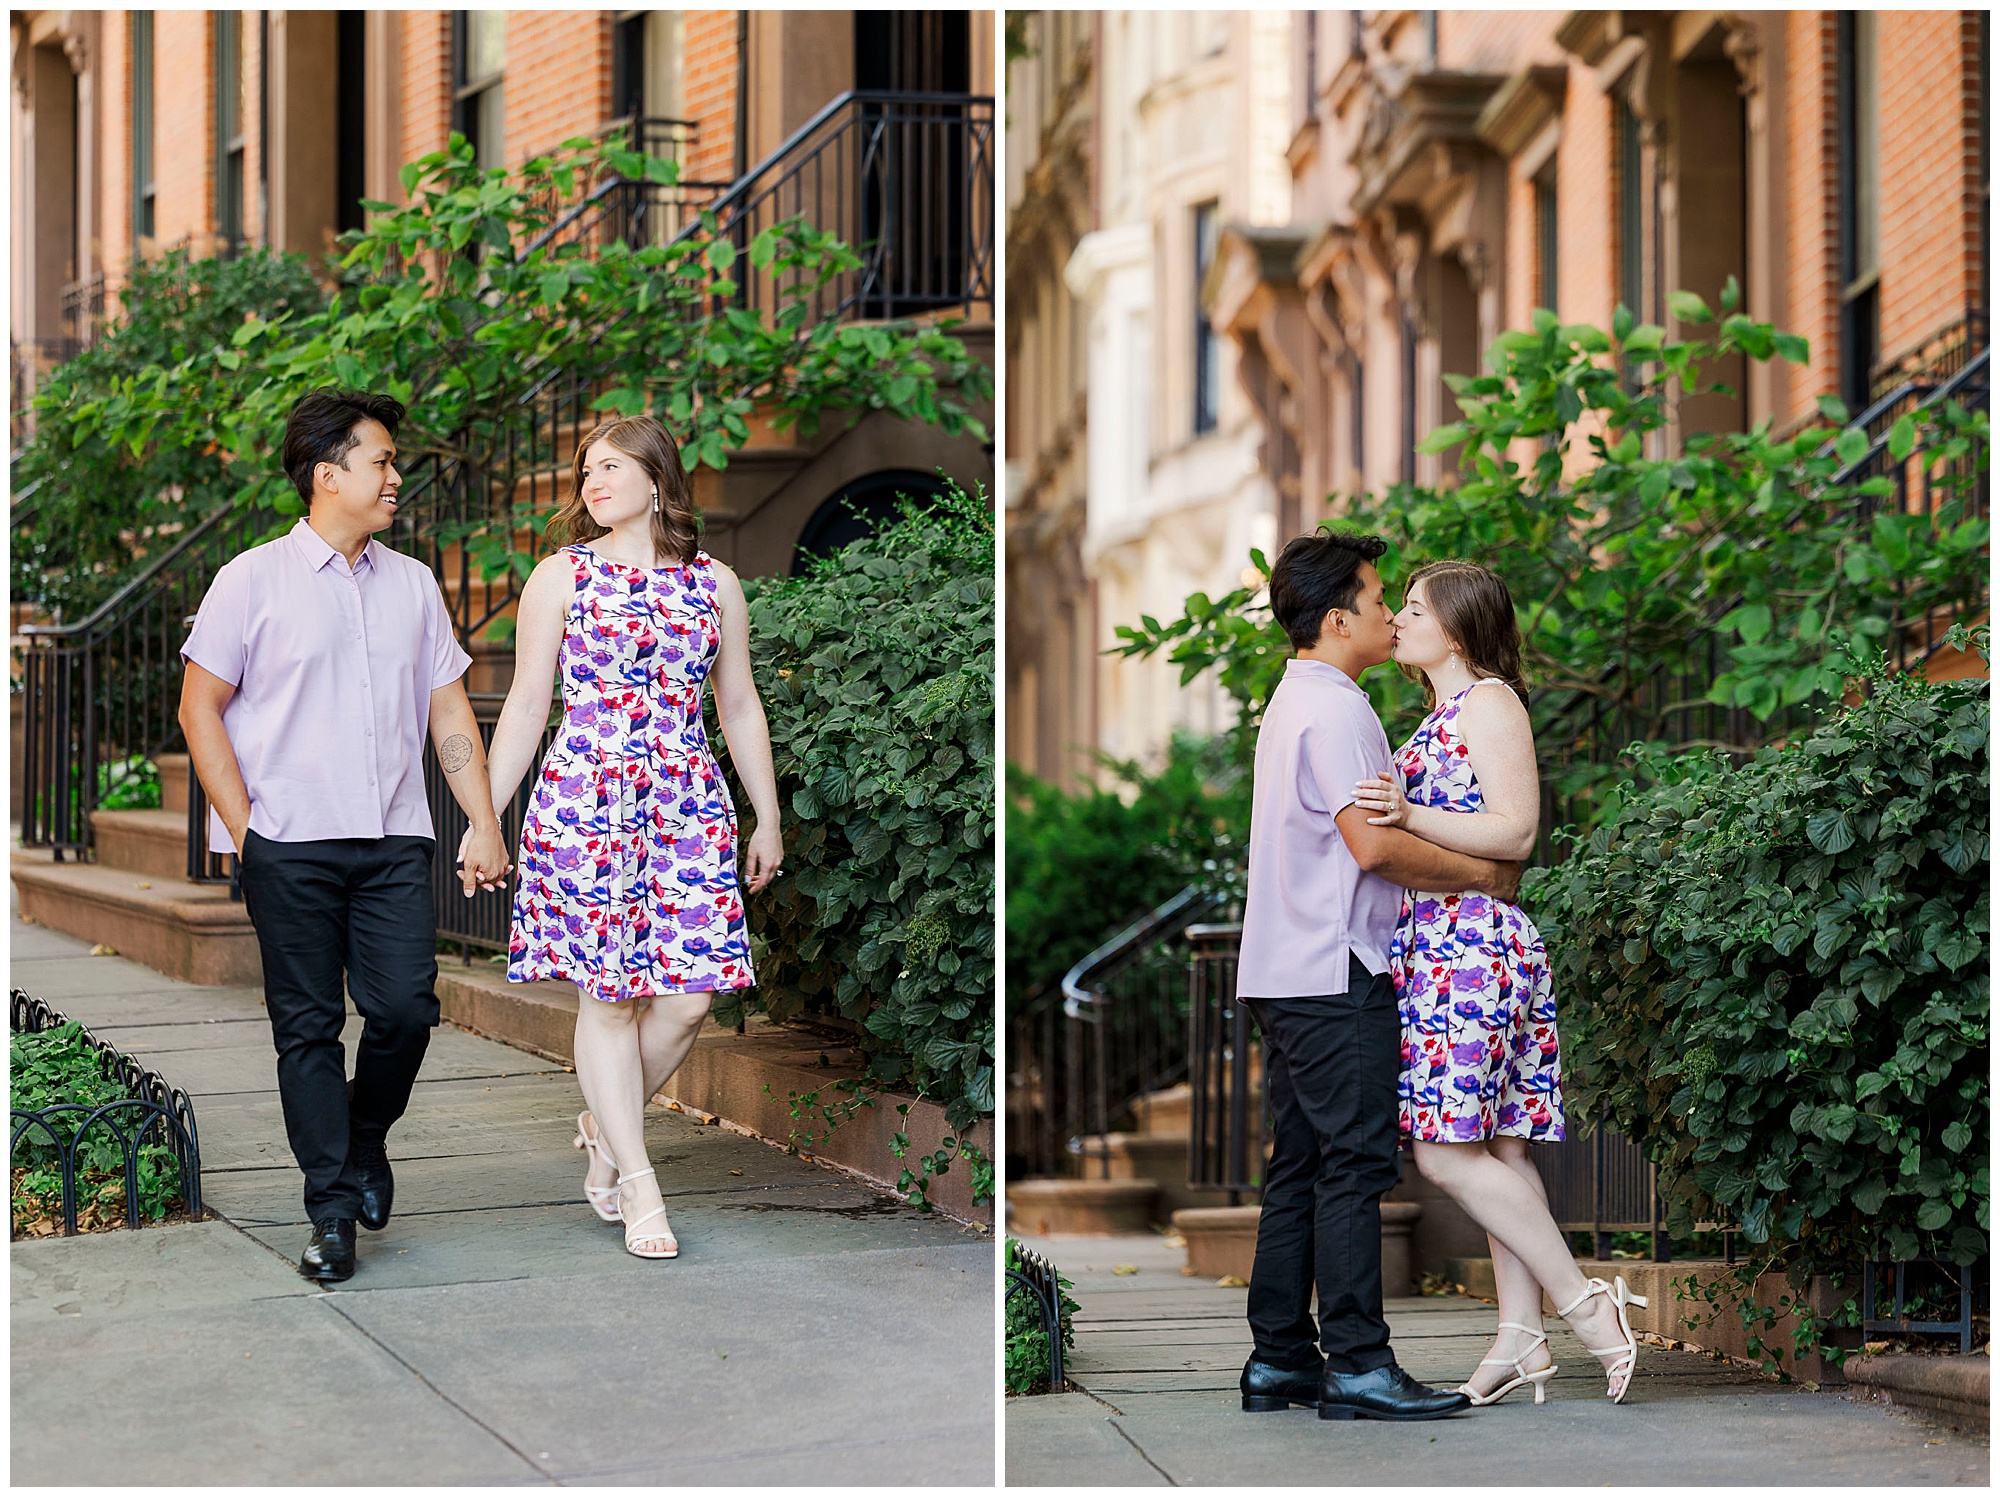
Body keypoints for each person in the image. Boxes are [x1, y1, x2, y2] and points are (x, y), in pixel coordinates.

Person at [179, 388, 513, 1284]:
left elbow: (450, 713)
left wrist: (482, 818)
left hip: (394, 838)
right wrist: (247, 831)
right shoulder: (250, 580)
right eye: (381, 461)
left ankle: (365, 1137)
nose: (396, 477)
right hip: (288, 843)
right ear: (328, 477)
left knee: (406, 1008)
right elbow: (199, 708)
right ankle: (330, 1208)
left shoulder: (411, 585)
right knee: (308, 1028)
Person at [1235, 529, 1521, 1422]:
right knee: (1355, 1163)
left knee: (1303, 1164)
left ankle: (1280, 1358)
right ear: (1336, 617)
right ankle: (1357, 1362)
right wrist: (1486, 875)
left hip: (1284, 967)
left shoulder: (1296, 698)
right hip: (1333, 968)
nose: (1389, 613)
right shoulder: (1341, 709)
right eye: (1375, 598)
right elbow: (1374, 844)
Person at [482, 414, 782, 1261]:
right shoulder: (560, 577)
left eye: (611, 466)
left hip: (687, 801)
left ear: (659, 479)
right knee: (609, 999)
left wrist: (768, 813)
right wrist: (485, 816)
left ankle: (605, 1125)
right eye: (586, 469)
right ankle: (640, 1182)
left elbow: (740, 704)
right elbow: (528, 704)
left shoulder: (714, 582)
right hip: (587, 799)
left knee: (689, 999)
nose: (592, 481)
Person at [1353, 560, 1646, 1405]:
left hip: (1471, 947)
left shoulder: (1489, 701)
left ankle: (1588, 1305)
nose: (1398, 619)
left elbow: (1515, 831)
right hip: (1443, 947)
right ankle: (1520, 1338)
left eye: (1414, 608)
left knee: (1444, 1154)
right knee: (1500, 1147)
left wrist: (1406, 815)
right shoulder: (1440, 712)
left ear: (1457, 626)